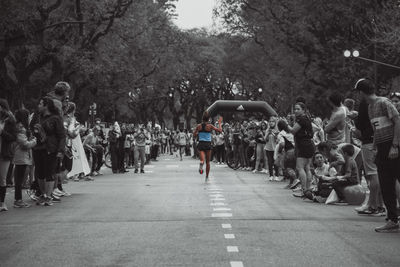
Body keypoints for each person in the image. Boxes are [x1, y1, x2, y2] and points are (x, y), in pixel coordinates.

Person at [355, 78, 400, 232]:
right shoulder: (369, 107)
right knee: (386, 185)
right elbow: (377, 130)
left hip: (392, 147)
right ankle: (393, 220)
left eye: (358, 93)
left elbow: (397, 121)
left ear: (361, 92)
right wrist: (375, 148)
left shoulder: (384, 102)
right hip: (380, 148)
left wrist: (395, 145)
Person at [354, 98, 385, 216]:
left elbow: (360, 124)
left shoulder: (365, 102)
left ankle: (372, 205)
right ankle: (379, 205)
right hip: (378, 140)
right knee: (378, 173)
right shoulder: (380, 102)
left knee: (373, 174)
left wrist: (356, 118)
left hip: (369, 142)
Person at [284, 102, 315, 197]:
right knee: (307, 168)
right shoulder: (306, 118)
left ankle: (304, 190)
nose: (296, 111)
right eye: (295, 109)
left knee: (300, 167)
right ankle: (307, 189)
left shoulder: (302, 119)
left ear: (303, 110)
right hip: (309, 144)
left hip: (303, 145)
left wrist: (285, 124)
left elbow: (293, 131)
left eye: (298, 109)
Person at [12, 109, 37, 208]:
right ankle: (18, 200)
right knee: (19, 180)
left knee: (19, 179)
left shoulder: (19, 127)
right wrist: (34, 142)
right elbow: (24, 144)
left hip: (21, 156)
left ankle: (18, 200)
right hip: (21, 156)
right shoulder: (21, 128)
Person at [193, 111, 223, 182]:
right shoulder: (210, 126)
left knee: (202, 159)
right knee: (208, 162)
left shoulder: (199, 126)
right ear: (208, 119)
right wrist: (219, 123)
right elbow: (220, 130)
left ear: (202, 119)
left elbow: (194, 135)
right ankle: (206, 177)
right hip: (208, 144)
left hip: (201, 143)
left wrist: (198, 134)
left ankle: (201, 163)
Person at [0, 99, 17, 211]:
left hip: (4, 153)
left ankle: (2, 203)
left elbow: (13, 137)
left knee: (2, 178)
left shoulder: (10, 121)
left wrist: (2, 132)